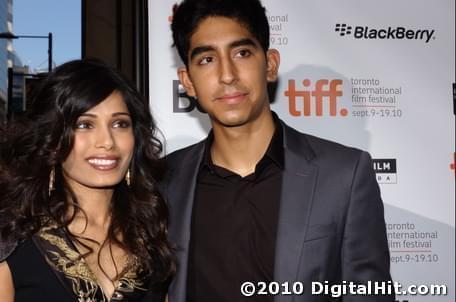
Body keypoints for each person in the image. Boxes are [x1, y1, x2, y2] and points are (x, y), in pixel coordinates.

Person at [162, 0, 394, 301]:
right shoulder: (164, 181)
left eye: (242, 53)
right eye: (207, 59)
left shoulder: (344, 175)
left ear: (270, 64)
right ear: (187, 82)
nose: (227, 75)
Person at [0, 59, 174, 302]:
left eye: (119, 124)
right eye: (84, 124)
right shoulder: (12, 235)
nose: (107, 141)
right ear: (53, 137)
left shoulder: (153, 233)